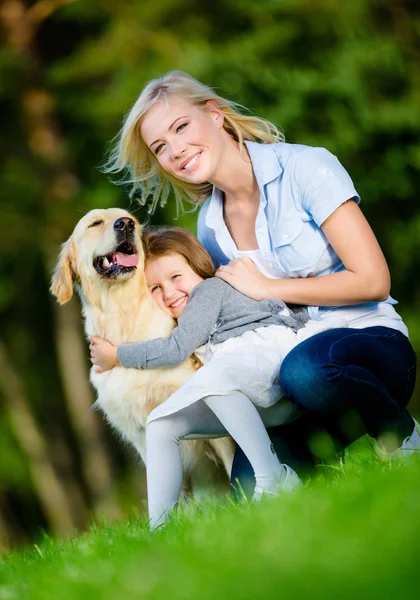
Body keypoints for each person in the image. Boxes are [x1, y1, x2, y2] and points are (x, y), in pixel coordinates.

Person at [102, 70, 418, 492]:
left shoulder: (307, 167)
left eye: (181, 127)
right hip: (286, 379)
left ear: (214, 114)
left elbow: (374, 280)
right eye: (160, 146)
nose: (175, 150)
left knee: (306, 370)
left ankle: (401, 434)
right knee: (249, 490)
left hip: (367, 348)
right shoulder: (210, 226)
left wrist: (270, 288)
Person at [90, 227, 334, 527]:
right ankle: (160, 526)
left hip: (275, 380)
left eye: (176, 277)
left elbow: (176, 349)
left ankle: (273, 477)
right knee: (160, 424)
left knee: (214, 378)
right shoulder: (189, 319)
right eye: (154, 288)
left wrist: (116, 356)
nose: (168, 293)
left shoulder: (209, 290)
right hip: (249, 400)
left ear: (199, 268)